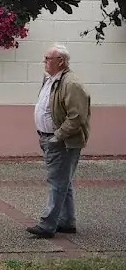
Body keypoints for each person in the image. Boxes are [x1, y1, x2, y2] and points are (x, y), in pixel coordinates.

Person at [27, 44, 91, 239]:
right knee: (64, 181)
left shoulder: (71, 83)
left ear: (60, 61)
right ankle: (67, 221)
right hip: (48, 138)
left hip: (62, 142)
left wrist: (58, 136)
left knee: (57, 182)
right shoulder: (52, 79)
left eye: (47, 58)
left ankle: (47, 225)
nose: (44, 62)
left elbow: (76, 116)